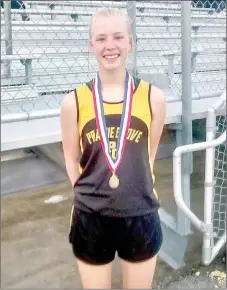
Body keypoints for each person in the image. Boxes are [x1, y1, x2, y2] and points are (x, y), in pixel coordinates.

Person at [60, 7, 166, 289]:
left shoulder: (153, 97)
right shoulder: (74, 102)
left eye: (118, 37)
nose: (110, 46)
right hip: (91, 218)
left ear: (130, 42)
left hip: (140, 213)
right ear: (91, 45)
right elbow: (71, 159)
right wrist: (87, 196)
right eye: (102, 38)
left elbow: (149, 155)